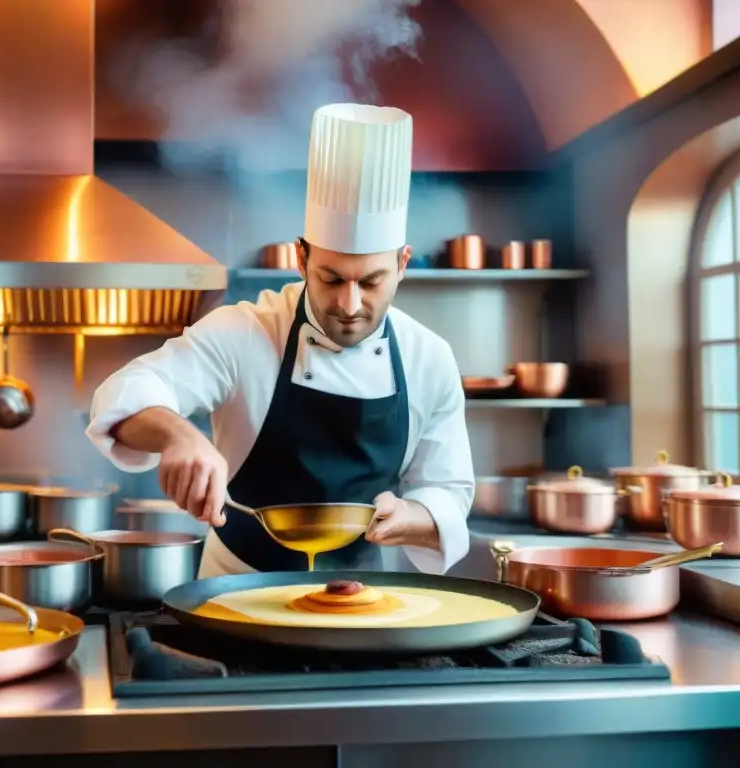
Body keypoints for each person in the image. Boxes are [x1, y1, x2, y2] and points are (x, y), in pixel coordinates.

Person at [88, 103, 474, 578]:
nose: (349, 304)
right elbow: (127, 392)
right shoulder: (245, 332)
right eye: (330, 278)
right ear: (301, 257)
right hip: (235, 590)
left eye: (371, 282)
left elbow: (447, 490)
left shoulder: (429, 358)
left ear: (402, 264)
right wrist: (180, 437)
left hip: (363, 599)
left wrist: (413, 517)